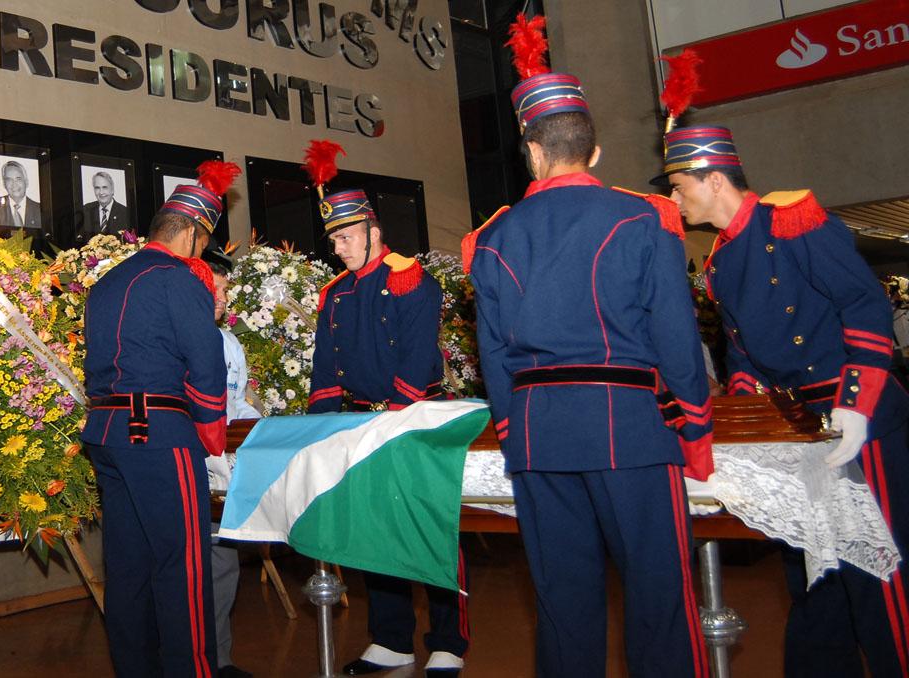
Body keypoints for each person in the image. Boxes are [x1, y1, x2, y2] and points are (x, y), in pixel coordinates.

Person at [464, 16, 712, 677]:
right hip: (630, 428)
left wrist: (515, 428)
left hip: (540, 436)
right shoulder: (643, 217)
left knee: (563, 605)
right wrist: (695, 425)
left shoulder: (491, 238)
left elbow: (494, 355)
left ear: (533, 152)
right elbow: (675, 336)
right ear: (594, 152)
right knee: (659, 601)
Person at [655, 124, 909, 678]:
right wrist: (750, 424)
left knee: (881, 577)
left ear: (715, 178)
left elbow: (865, 307)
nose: (674, 198)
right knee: (816, 574)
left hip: (856, 422)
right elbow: (745, 355)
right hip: (798, 431)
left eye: (679, 185)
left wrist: (855, 403)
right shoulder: (720, 259)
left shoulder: (792, 220)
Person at [82, 163, 237, 677]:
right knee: (184, 564)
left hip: (106, 434)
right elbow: (206, 362)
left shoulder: (107, 282)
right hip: (159, 434)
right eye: (203, 241)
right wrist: (213, 433)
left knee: (127, 567)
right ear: (192, 232)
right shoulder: (179, 279)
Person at [307, 189, 469, 677]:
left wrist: (393, 419)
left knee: (431, 527)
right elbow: (325, 367)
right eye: (333, 238)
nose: (339, 246)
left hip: (412, 419)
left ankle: (449, 641)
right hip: (359, 424)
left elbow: (418, 356)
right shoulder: (335, 293)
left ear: (374, 232)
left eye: (347, 235)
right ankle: (392, 639)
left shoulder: (409, 278)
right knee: (374, 532)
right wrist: (324, 429)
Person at [206, 258, 258, 678]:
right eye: (215, 291)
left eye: (225, 291)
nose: (223, 300)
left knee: (223, 559)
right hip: (184, 460)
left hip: (222, 462)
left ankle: (218, 658)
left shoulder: (230, 344)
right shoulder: (170, 338)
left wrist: (262, 433)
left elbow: (236, 402)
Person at [0, 160, 42, 236]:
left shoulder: (39, 209)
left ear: (26, 182)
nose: (14, 184)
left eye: (18, 179)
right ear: (4, 184)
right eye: (9, 180)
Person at [81, 171, 130, 238]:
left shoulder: (125, 212)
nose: (101, 192)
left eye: (105, 187)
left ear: (112, 189)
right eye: (97, 188)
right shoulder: (86, 209)